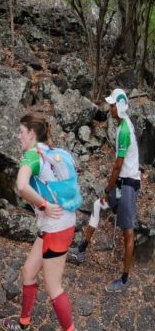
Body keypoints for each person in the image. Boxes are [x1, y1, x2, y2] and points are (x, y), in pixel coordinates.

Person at [0, 112, 82, 331]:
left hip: (57, 227)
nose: (18, 136)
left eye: (21, 132)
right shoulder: (56, 153)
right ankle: (23, 326)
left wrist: (44, 205)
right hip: (55, 224)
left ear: (32, 134)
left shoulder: (33, 155)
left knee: (53, 286)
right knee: (28, 271)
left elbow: (22, 186)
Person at [68, 88, 140, 293]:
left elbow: (118, 165)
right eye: (110, 105)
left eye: (113, 105)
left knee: (128, 232)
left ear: (121, 106)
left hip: (127, 185)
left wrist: (108, 187)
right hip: (121, 183)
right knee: (97, 206)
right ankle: (81, 250)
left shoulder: (124, 130)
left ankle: (125, 280)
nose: (110, 109)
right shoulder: (120, 127)